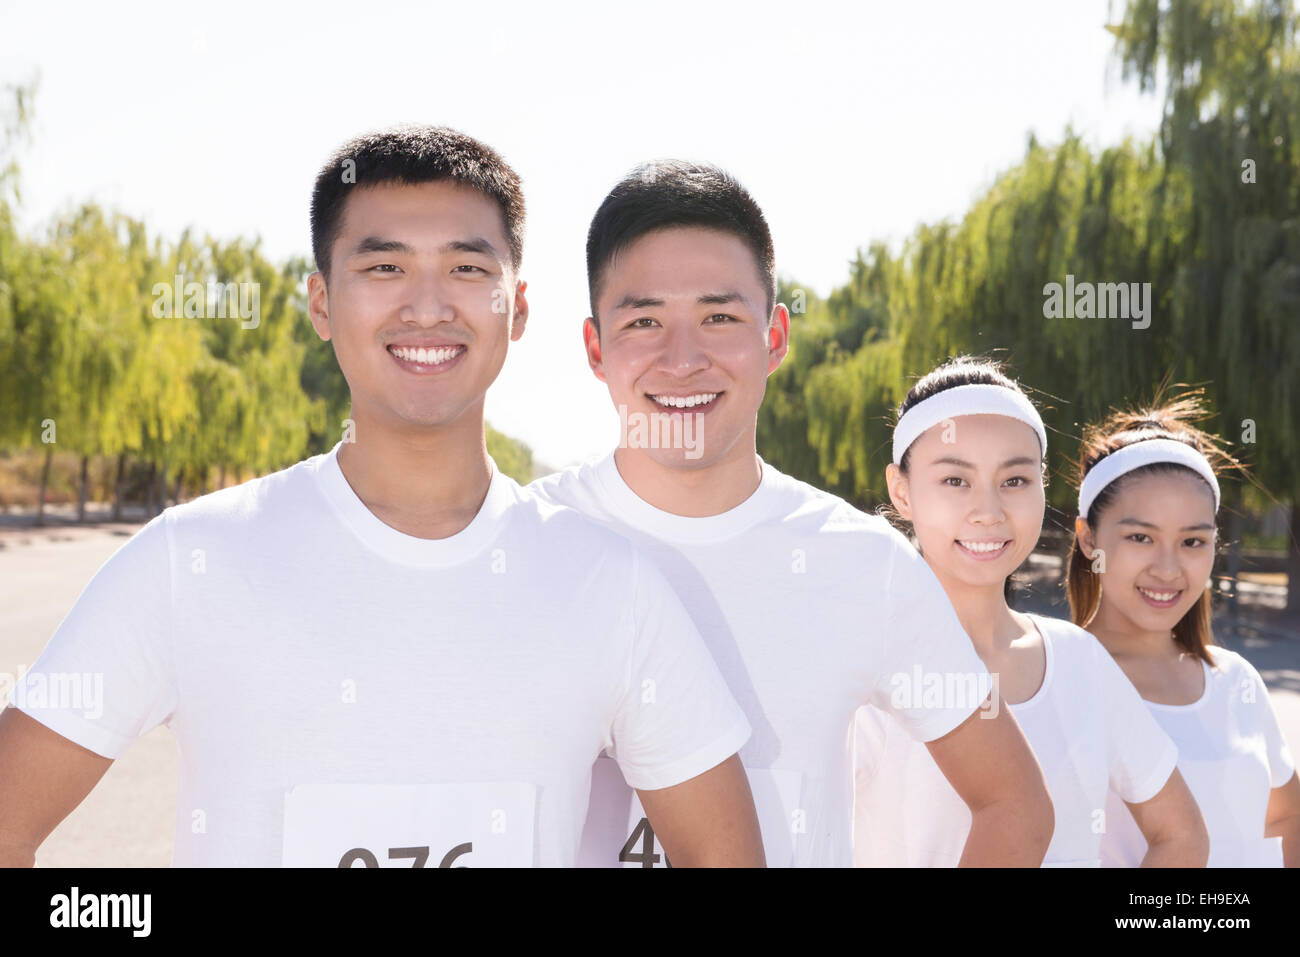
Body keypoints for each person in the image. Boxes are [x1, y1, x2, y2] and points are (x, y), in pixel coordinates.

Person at [0, 126, 764, 868]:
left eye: (467, 270)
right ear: (322, 304)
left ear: (518, 308)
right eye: (383, 268)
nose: (427, 308)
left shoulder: (611, 584)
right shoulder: (189, 560)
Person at [530, 162, 1054, 867]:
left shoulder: (864, 563)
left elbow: (1015, 805)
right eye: (644, 320)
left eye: (720, 316)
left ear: (775, 336)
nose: (683, 359)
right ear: (596, 348)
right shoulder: (530, 541)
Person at [853, 356, 1208, 867]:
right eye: (955, 481)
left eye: (1015, 480)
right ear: (901, 490)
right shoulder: (867, 671)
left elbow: (1182, 835)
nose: (990, 510)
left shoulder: (1080, 660)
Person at [1067, 393, 1300, 867]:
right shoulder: (1055, 676)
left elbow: (1285, 817)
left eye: (1193, 541)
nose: (1169, 568)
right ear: (1089, 538)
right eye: (1140, 538)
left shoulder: (1235, 681)